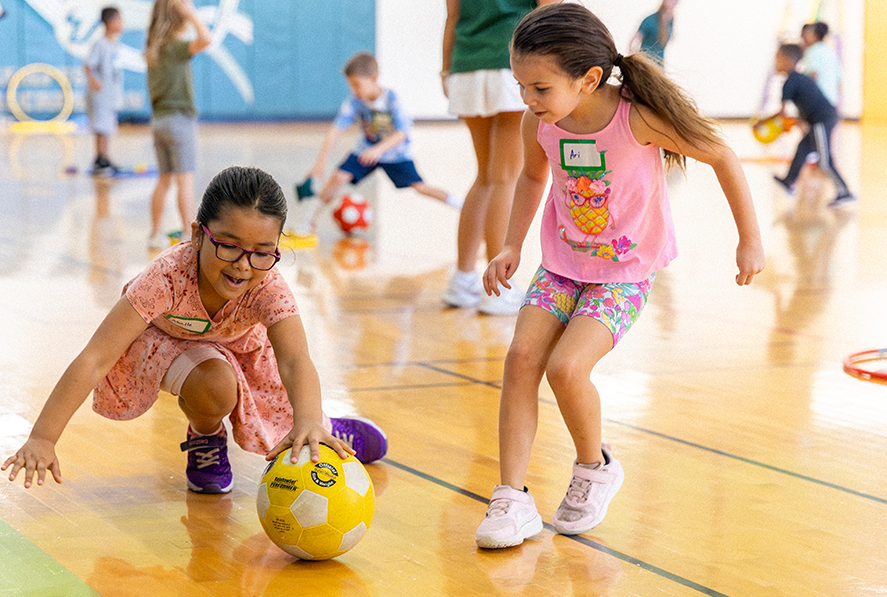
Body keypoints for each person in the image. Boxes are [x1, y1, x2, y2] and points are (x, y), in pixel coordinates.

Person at [475, 3, 765, 549]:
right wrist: (511, 244)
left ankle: (594, 467)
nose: (527, 101)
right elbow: (532, 180)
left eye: (539, 88)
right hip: (562, 263)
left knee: (566, 367)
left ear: (587, 80)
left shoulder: (638, 117)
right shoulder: (537, 123)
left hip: (625, 273)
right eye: (521, 86)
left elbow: (722, 155)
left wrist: (749, 237)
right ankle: (511, 497)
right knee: (519, 359)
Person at [1, 166, 388, 494]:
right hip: (167, 343)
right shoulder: (166, 277)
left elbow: (294, 360)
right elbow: (95, 358)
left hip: (236, 344)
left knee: (293, 411)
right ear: (198, 235)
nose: (243, 265)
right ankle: (206, 434)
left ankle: (322, 427)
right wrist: (43, 438)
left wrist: (306, 421)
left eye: (261, 251)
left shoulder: (269, 286)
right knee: (216, 384)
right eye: (229, 245)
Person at [441, 0, 557, 316]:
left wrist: (446, 68)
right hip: (512, 65)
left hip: (465, 63)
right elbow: (549, 14)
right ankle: (498, 289)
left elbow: (453, 15)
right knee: (505, 177)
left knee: (486, 176)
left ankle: (462, 280)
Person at [293, 52, 461, 235]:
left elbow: (402, 133)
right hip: (365, 151)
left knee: (421, 187)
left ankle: (461, 205)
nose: (354, 90)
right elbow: (335, 130)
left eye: (357, 85)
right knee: (337, 178)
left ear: (374, 78)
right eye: (351, 86)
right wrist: (320, 163)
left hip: (395, 155)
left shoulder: (391, 100)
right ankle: (308, 222)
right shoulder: (355, 103)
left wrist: (378, 150)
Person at [145, 0, 211, 250]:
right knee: (185, 182)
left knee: (164, 180)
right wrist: (193, 14)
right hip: (179, 121)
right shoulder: (176, 48)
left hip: (159, 121)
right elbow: (206, 39)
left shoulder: (153, 48)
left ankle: (155, 233)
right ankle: (188, 234)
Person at [771, 44, 854, 207]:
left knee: (824, 160)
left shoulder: (790, 82)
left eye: (778, 58)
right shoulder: (799, 78)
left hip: (822, 120)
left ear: (789, 60)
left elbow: (782, 114)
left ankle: (844, 191)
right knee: (803, 148)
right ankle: (789, 181)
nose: (776, 62)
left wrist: (763, 123)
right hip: (819, 118)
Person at [85, 6, 124, 177]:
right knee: (101, 127)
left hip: (110, 94)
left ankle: (105, 157)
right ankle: (99, 158)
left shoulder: (113, 45)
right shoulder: (100, 44)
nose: (122, 23)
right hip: (101, 95)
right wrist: (94, 81)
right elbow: (88, 65)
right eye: (119, 19)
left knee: (107, 127)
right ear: (110, 22)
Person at [800, 22, 841, 108]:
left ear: (814, 35)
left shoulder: (811, 51)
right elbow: (839, 80)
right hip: (832, 100)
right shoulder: (831, 52)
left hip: (817, 101)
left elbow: (813, 74)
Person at [629, 0, 678, 68]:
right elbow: (633, 40)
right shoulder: (650, 20)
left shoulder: (670, 22)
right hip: (645, 65)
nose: (674, 2)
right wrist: (631, 59)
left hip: (659, 66)